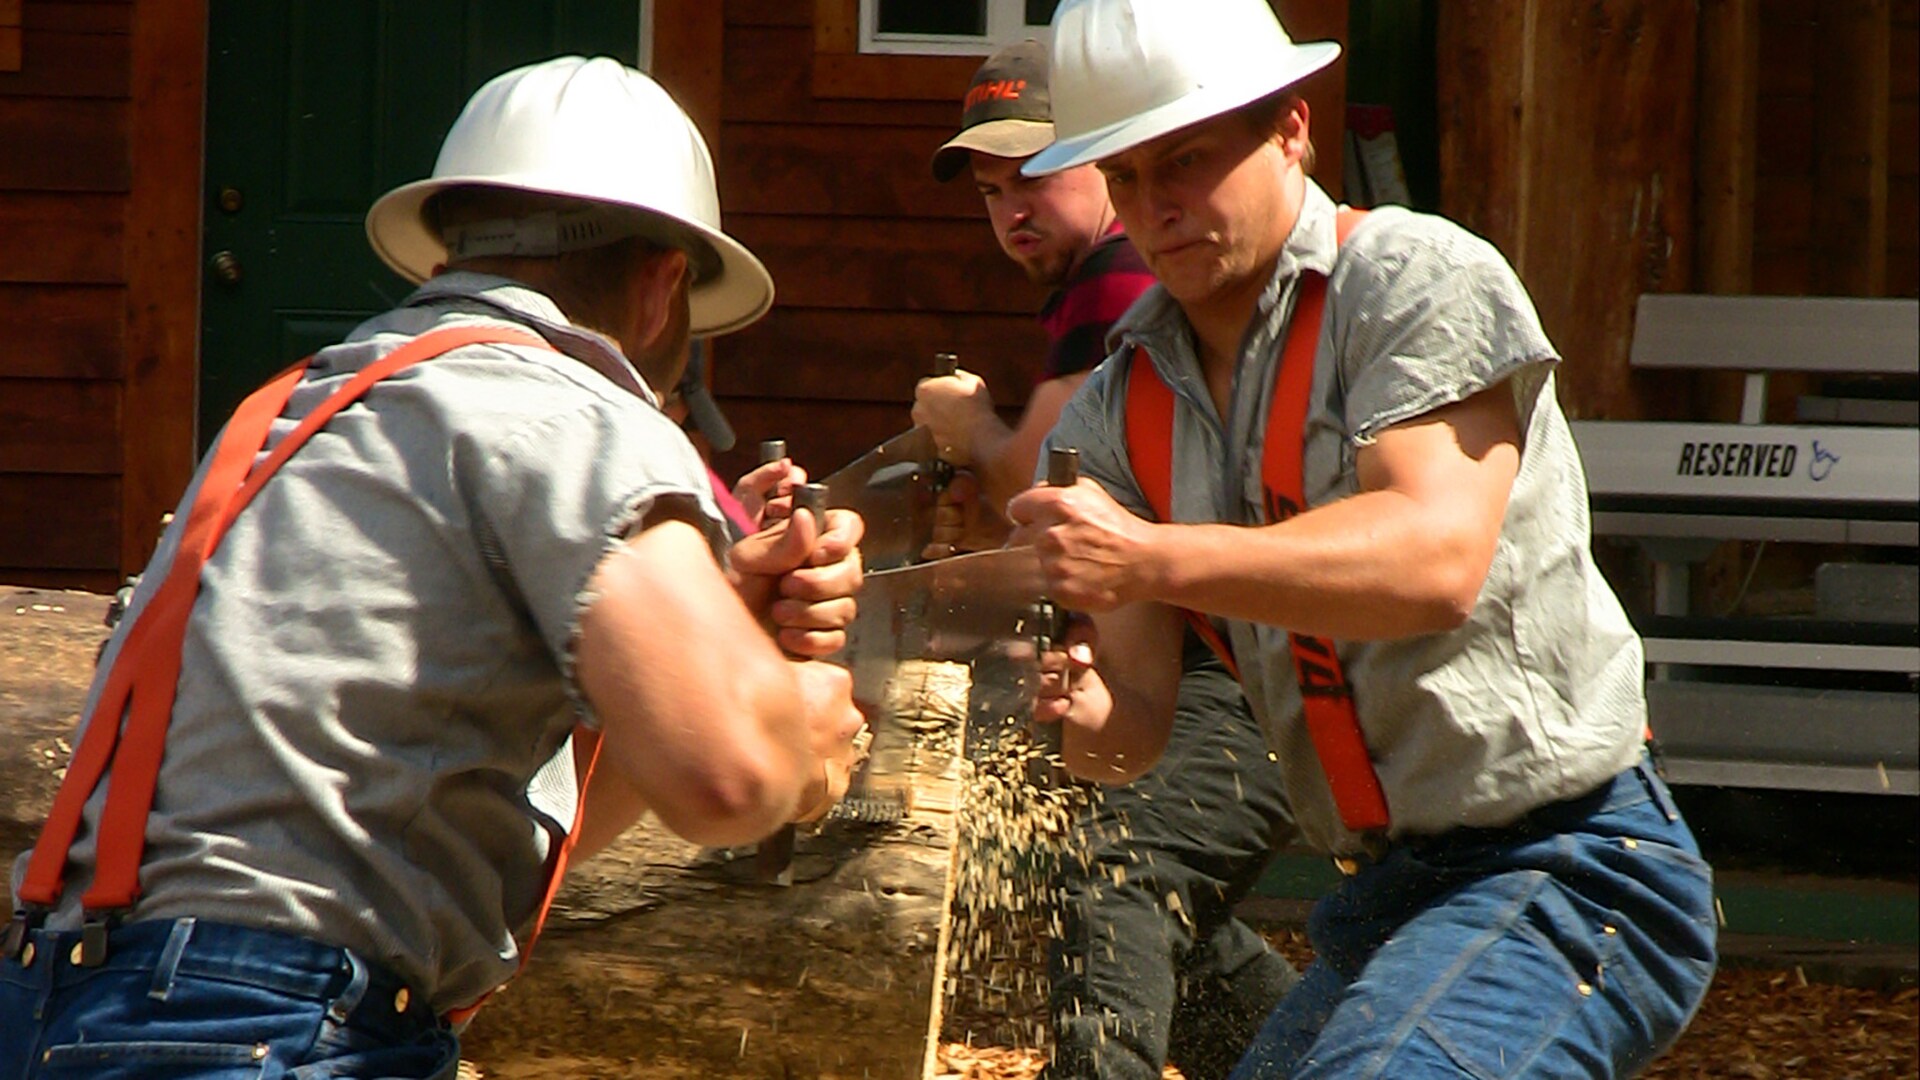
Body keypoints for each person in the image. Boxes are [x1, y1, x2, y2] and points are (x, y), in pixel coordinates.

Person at [2, 56, 865, 1078]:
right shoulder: (581, 410)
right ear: (663, 283)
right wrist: (800, 738)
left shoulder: (297, 416)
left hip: (64, 1003)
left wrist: (721, 645)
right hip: (265, 1027)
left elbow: (466, 816)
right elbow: (732, 778)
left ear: (451, 245)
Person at [1010, 2, 1718, 1077]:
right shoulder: (1116, 409)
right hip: (1384, 902)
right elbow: (1133, 732)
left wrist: (1148, 556)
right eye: (1127, 177)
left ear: (1291, 127)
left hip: (1572, 865)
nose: (1158, 205)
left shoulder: (1414, 278)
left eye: (1188, 160)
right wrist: (1076, 707)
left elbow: (1434, 561)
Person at [919, 41, 1300, 1080]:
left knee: (1116, 864)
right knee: (1129, 887)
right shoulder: (1112, 310)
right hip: (1205, 656)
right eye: (993, 192)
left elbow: (1031, 489)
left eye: (1035, 176)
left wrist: (967, 432)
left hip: (1267, 666)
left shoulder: (1123, 280)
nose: (1013, 211)